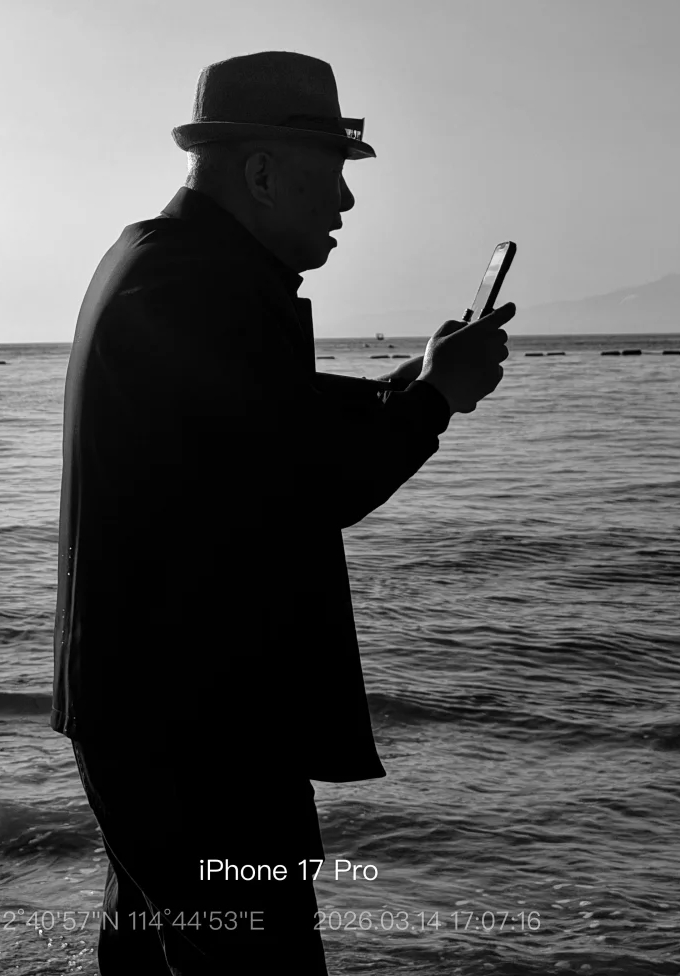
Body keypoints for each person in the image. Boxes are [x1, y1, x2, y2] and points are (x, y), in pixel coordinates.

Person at [51, 50, 515, 973]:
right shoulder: (193, 287)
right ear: (262, 172)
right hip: (199, 733)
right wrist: (434, 402)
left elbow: (267, 418)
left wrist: (414, 383)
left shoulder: (165, 265)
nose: (346, 201)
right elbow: (308, 484)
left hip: (162, 715)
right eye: (333, 172)